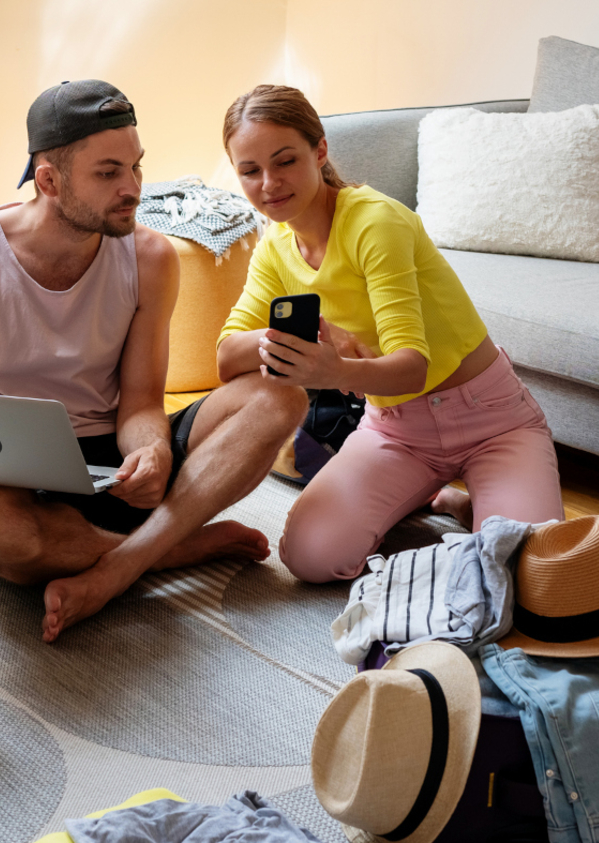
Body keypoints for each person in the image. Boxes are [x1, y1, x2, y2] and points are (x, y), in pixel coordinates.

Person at [0, 80, 308, 641]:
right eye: (108, 174)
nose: (132, 188)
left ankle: (116, 565)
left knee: (279, 396)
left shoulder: (151, 257)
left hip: (115, 470)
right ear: (49, 181)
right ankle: (171, 547)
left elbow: (140, 403)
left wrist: (151, 452)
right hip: (11, 480)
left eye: (136, 167)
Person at [216, 84, 564, 584]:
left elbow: (412, 364)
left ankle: (467, 503)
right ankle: (433, 495)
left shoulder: (374, 222)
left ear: (320, 151)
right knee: (310, 557)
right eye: (250, 171)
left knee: (528, 572)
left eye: (284, 161)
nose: (269, 183)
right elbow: (228, 356)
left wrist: (333, 367)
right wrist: (323, 334)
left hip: (492, 420)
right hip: (397, 429)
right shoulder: (274, 249)